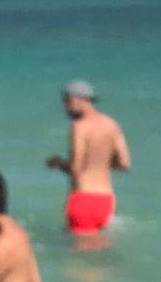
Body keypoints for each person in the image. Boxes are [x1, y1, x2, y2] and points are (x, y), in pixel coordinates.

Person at [46, 80, 131, 235]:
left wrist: (58, 163)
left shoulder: (79, 127)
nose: (66, 107)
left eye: (68, 101)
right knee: (97, 253)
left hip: (83, 199)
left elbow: (75, 168)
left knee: (80, 257)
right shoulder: (112, 124)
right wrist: (99, 163)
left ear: (83, 99)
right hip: (107, 200)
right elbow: (124, 164)